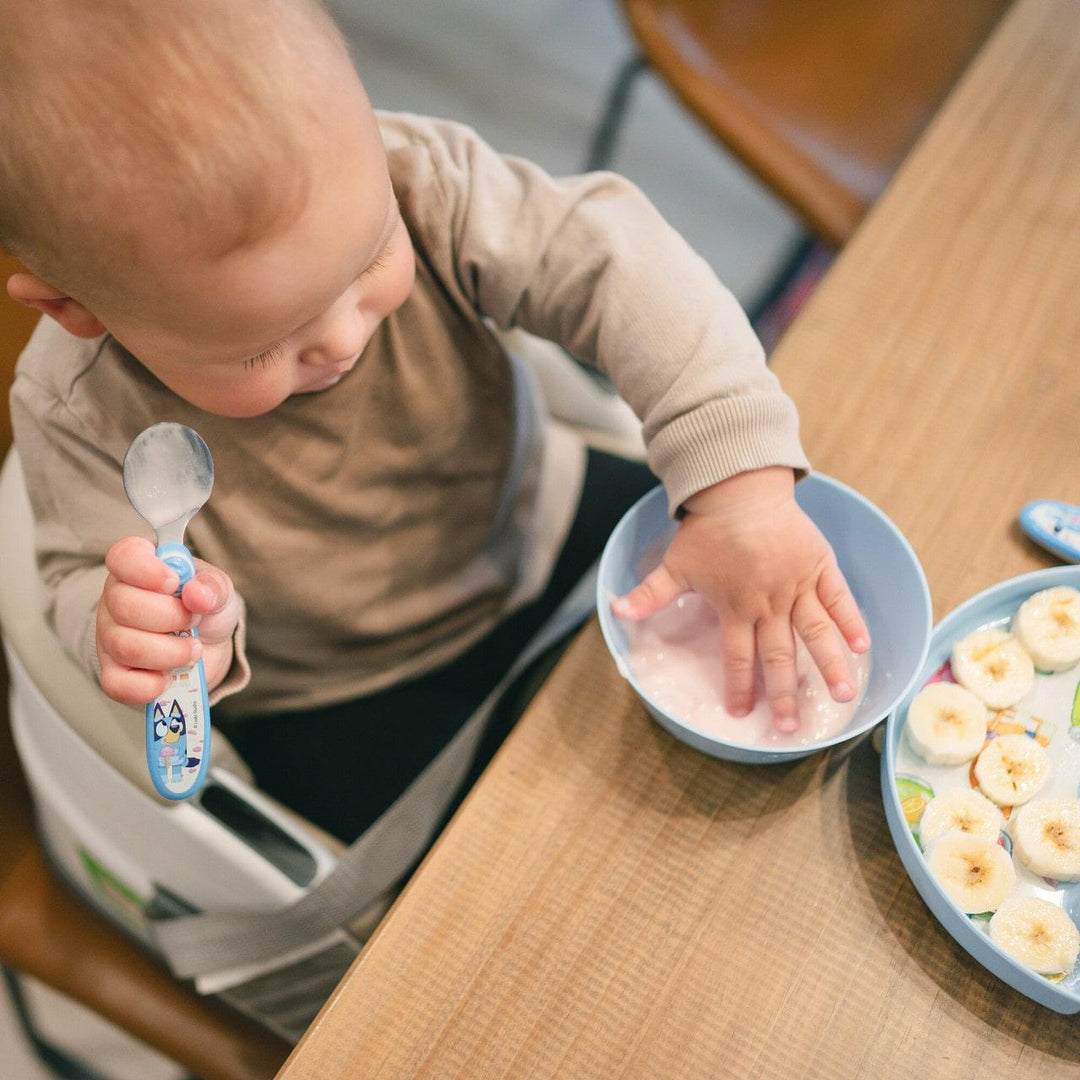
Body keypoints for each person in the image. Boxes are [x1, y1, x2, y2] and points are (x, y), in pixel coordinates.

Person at [1, 0, 868, 847]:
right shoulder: (78, 406)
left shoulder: (414, 177)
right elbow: (77, 573)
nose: (344, 337)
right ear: (78, 310)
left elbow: (616, 264)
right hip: (339, 692)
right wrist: (149, 632)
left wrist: (741, 490)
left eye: (373, 255)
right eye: (264, 346)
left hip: (538, 525)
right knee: (534, 872)